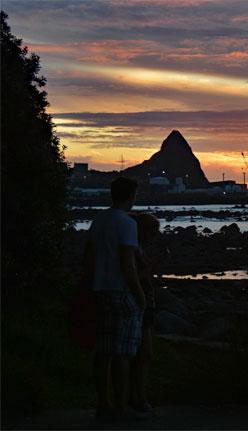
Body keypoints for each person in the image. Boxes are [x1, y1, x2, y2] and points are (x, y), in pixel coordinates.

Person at [84, 177, 146, 421]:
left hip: (100, 290)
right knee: (124, 352)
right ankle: (121, 407)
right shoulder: (127, 223)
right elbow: (127, 263)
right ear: (131, 196)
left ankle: (103, 404)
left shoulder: (98, 220)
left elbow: (87, 257)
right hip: (122, 292)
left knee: (103, 351)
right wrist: (140, 294)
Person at [128, 212, 162, 414]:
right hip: (142, 304)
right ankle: (138, 398)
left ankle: (136, 396)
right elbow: (137, 274)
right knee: (143, 354)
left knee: (142, 354)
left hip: (144, 303)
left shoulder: (135, 249)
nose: (154, 236)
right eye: (152, 231)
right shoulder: (133, 251)